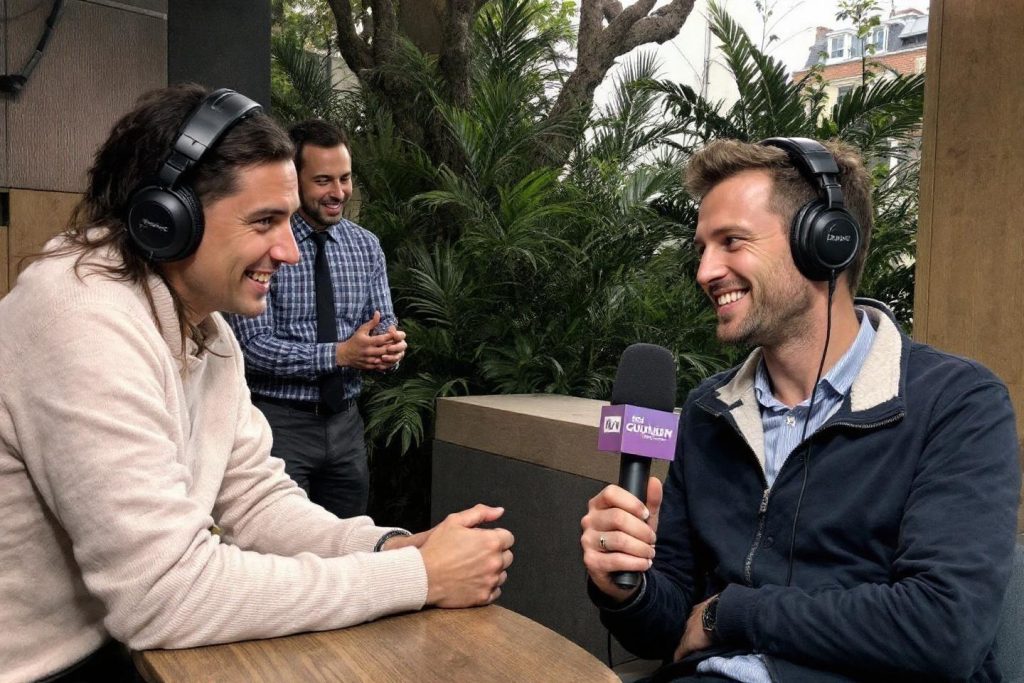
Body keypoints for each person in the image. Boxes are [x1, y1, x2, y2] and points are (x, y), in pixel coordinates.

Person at [0, 85, 513, 683]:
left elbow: (253, 502)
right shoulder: (78, 318)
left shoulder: (209, 332)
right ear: (166, 217)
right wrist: (419, 578)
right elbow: (166, 595)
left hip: (115, 648)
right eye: (265, 221)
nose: (289, 251)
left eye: (289, 222)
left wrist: (393, 549)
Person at [580, 137, 1020, 682]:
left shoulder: (956, 403)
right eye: (702, 249)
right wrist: (623, 583)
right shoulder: (709, 411)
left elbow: (943, 629)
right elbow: (668, 631)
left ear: (824, 242)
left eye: (732, 242)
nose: (705, 271)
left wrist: (729, 614)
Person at [226, 119, 402, 519]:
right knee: (280, 550)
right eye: (323, 180)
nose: (338, 192)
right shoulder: (264, 244)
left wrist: (387, 347)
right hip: (277, 425)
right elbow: (251, 347)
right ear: (294, 179)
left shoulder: (366, 246)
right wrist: (340, 354)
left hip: (347, 426)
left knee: (350, 546)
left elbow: (383, 320)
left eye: (345, 178)